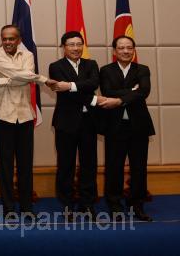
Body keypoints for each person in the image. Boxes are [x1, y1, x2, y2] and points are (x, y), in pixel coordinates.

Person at [0, 24, 54, 219]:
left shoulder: (28, 55)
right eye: (4, 39)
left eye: (11, 38)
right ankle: (9, 208)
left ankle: (26, 207)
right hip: (3, 114)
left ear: (18, 40)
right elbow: (20, 75)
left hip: (25, 114)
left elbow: (21, 77)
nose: (7, 42)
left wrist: (0, 80)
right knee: (6, 165)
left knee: (26, 164)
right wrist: (40, 79)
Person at [97, 35, 155, 222]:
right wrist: (132, 91)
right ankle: (114, 205)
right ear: (115, 51)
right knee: (114, 167)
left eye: (129, 48)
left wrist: (119, 99)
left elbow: (144, 91)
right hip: (114, 126)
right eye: (121, 48)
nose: (126, 51)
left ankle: (137, 205)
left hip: (139, 126)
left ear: (134, 50)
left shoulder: (142, 69)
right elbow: (107, 92)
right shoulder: (106, 70)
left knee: (139, 167)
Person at [48, 31, 100, 219]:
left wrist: (70, 86)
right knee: (66, 165)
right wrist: (91, 97)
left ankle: (87, 204)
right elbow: (73, 90)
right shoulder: (55, 66)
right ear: (64, 47)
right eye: (71, 44)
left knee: (89, 164)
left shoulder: (91, 64)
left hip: (89, 122)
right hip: (65, 123)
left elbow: (94, 83)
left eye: (79, 44)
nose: (76, 48)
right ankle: (67, 204)